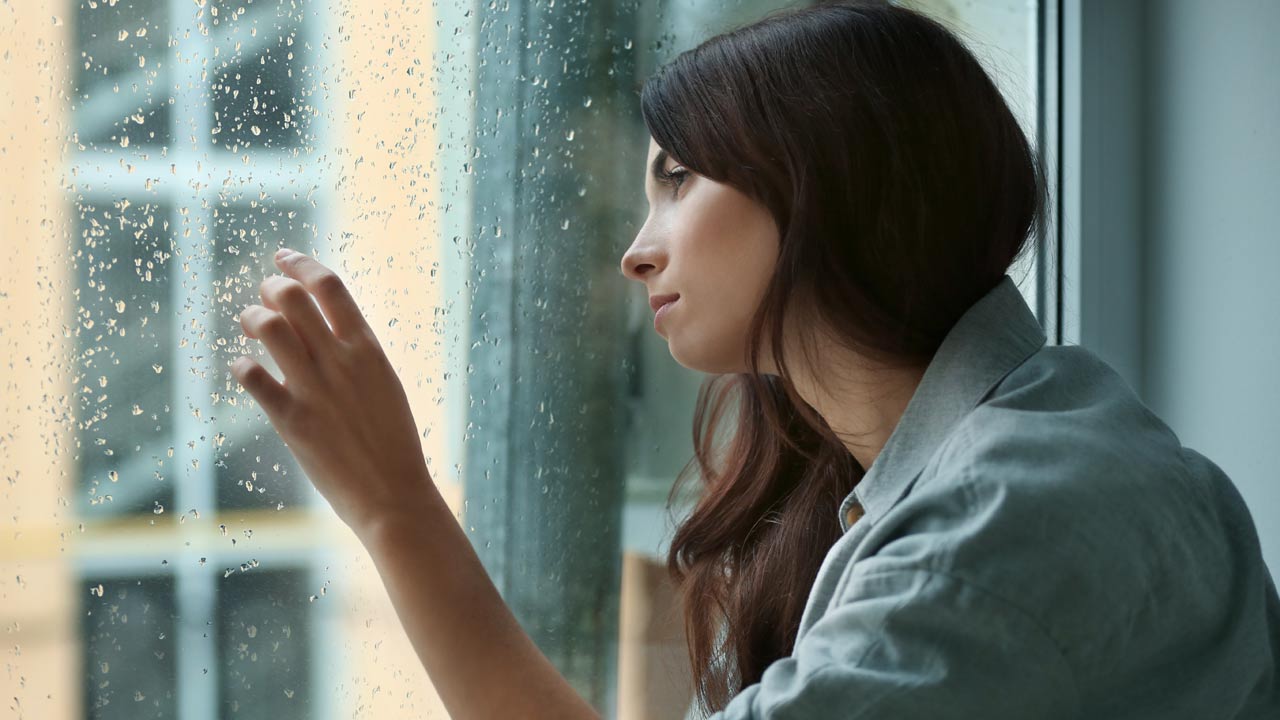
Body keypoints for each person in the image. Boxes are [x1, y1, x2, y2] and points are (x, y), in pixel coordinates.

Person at [231, 1, 1280, 718]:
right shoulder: (997, 452)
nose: (637, 250)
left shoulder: (1011, 516)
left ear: (826, 185)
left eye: (679, 179)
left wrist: (396, 509)